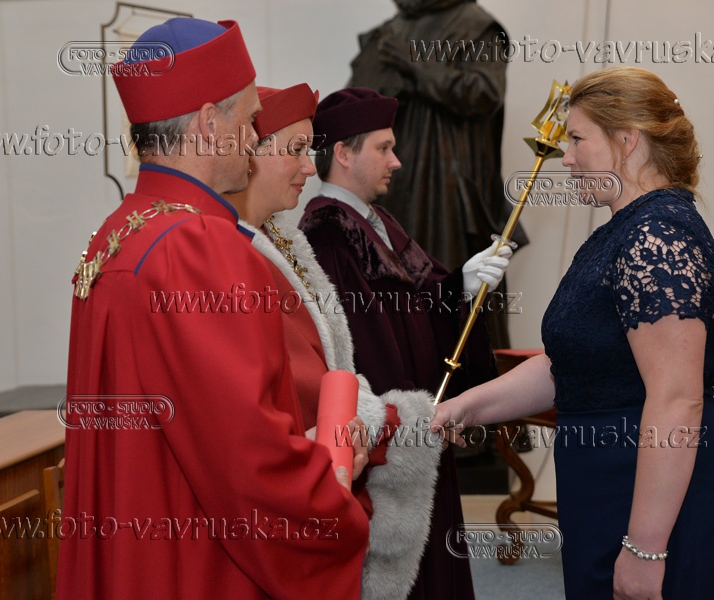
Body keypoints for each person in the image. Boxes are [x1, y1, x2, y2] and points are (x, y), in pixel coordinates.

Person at [431, 67, 714, 599]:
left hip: (663, 509)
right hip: (614, 490)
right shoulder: (625, 231)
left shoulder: (657, 238)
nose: (566, 157)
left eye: (577, 138)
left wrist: (645, 549)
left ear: (627, 140)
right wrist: (466, 407)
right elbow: (568, 365)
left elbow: (678, 399)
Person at [57, 19, 370, 600]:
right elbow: (249, 459)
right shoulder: (199, 246)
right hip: (199, 564)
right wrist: (332, 506)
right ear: (208, 123)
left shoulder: (116, 234)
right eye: (249, 120)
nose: (253, 139)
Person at [225, 83, 442, 600]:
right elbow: (284, 390)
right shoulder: (236, 253)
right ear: (252, 153)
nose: (310, 166)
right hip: (295, 488)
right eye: (297, 150)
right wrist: (383, 419)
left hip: (338, 462)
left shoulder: (282, 238)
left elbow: (331, 360)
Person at [298, 87, 511, 600]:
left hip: (421, 430)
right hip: (391, 449)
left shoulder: (376, 222)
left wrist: (459, 286)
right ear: (343, 153)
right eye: (384, 148)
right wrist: (411, 423)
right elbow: (362, 348)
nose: (396, 161)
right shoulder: (330, 235)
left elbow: (418, 300)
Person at [349, 0, 518, 348]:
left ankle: (464, 369)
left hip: (446, 184)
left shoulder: (476, 25)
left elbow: (484, 94)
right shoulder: (389, 31)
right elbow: (356, 105)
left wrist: (417, 67)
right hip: (393, 182)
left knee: (452, 273)